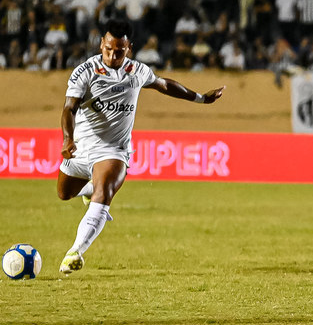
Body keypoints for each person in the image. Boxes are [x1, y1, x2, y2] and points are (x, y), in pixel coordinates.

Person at [55, 18, 224, 275]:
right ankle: (90, 188)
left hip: (113, 150)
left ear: (129, 48)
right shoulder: (84, 71)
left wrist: (201, 98)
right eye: (109, 49)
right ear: (101, 44)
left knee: (105, 192)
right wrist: (68, 138)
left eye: (119, 51)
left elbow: (164, 85)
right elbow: (69, 108)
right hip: (81, 147)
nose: (113, 55)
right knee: (64, 194)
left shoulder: (137, 71)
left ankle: (75, 251)